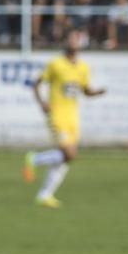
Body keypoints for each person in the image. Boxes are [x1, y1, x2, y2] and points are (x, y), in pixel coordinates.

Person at [22, 28, 106, 209]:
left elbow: (85, 91)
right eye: (72, 38)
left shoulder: (83, 67)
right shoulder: (56, 64)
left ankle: (45, 195)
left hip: (73, 117)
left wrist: (97, 92)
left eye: (78, 38)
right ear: (66, 41)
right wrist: (42, 103)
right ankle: (34, 159)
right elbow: (36, 84)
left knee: (65, 159)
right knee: (69, 154)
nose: (75, 41)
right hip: (57, 115)